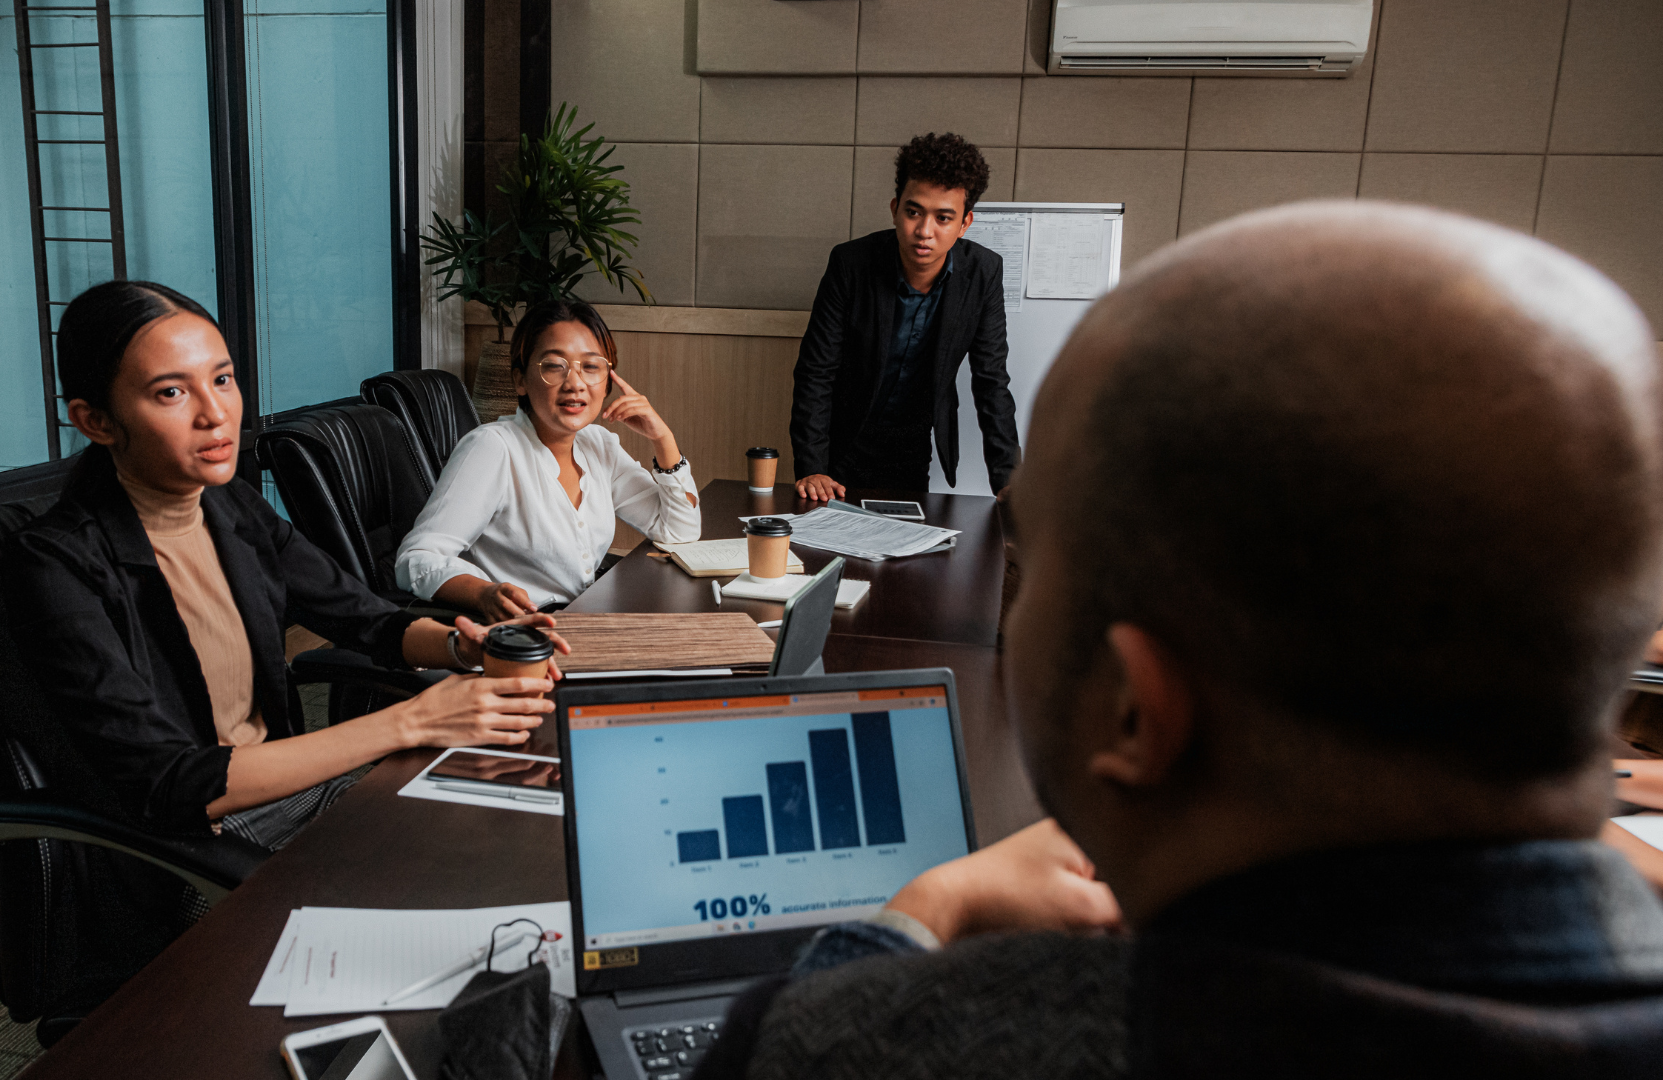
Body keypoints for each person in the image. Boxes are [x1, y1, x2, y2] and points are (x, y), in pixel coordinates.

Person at [696, 201, 1663, 1079]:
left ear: (1133, 708)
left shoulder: (861, 1046)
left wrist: (922, 911)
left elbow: (808, 1038)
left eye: (1031, 573)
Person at [3, 280, 567, 851]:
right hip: (199, 842)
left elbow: (365, 619)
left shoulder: (229, 506)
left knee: (540, 823)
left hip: (295, 796)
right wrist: (414, 721)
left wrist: (464, 647)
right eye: (172, 393)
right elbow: (169, 783)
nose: (215, 412)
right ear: (96, 421)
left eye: (222, 379)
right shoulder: (54, 564)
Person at [395, 300, 700, 620]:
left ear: (608, 380)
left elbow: (679, 531)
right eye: (555, 366)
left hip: (585, 621)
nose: (575, 383)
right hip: (526, 641)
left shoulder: (599, 446)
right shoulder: (493, 448)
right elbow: (416, 559)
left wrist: (663, 438)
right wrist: (484, 594)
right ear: (520, 380)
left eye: (591, 366)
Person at [790, 132, 1020, 501]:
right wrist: (812, 465)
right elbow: (816, 371)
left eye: (944, 218)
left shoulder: (983, 273)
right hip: (840, 443)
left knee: (905, 551)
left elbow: (991, 381)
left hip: (913, 446)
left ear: (964, 224)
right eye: (914, 212)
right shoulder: (851, 264)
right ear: (895, 208)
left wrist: (1008, 480)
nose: (924, 232)